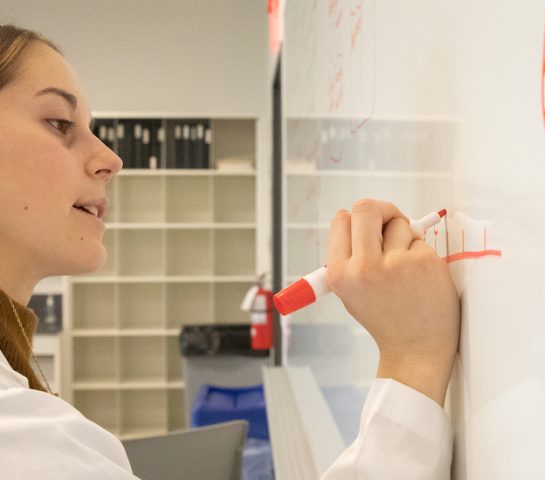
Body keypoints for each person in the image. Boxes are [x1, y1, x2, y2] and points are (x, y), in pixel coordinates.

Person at [0, 24, 460, 479]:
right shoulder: (19, 439)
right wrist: (411, 361)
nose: (112, 159)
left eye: (91, 129)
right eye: (59, 123)